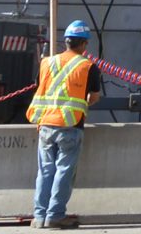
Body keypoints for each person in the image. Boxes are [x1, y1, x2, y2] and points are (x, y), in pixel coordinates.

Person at [29, 18, 99, 228]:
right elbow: (93, 97)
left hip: (45, 124)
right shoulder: (87, 66)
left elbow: (39, 87)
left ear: (66, 42)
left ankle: (39, 216)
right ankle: (55, 215)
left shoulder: (47, 62)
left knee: (45, 171)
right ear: (84, 44)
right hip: (70, 125)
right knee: (64, 171)